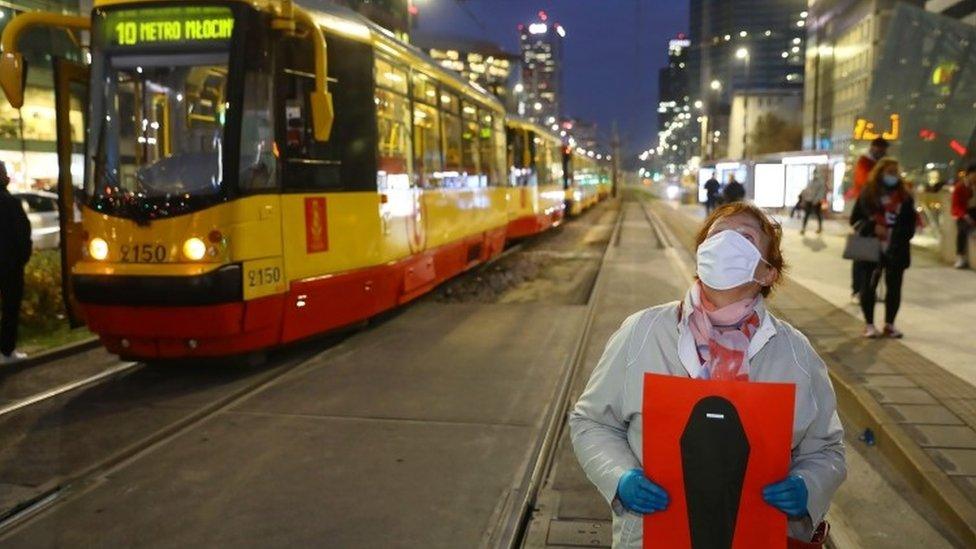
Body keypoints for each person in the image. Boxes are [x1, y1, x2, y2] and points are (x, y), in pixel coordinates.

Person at [570, 202, 845, 548]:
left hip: (757, 536)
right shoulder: (642, 332)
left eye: (744, 236)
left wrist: (808, 485)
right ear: (702, 255)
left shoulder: (795, 353)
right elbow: (591, 422)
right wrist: (619, 476)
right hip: (654, 536)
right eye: (717, 235)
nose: (727, 242)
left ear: (767, 273)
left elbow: (828, 448)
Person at [850, 158, 915, 339]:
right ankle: (869, 325)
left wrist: (899, 235)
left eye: (895, 172)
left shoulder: (905, 196)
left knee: (894, 288)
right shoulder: (868, 193)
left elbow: (911, 224)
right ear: (880, 172)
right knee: (868, 286)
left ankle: (890, 325)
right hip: (871, 245)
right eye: (889, 172)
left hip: (897, 248)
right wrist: (873, 225)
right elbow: (854, 219)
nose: (892, 176)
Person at [0, 161, 32, 363]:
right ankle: (6, 351)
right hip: (9, 265)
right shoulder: (9, 203)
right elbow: (22, 234)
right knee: (10, 307)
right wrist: (21, 259)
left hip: (9, 262)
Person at [849, 137, 889, 301]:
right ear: (874, 147)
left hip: (880, 217)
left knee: (878, 259)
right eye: (880, 148)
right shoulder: (864, 163)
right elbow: (864, 184)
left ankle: (869, 290)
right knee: (862, 256)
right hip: (865, 214)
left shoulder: (883, 164)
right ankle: (858, 290)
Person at [951, 164, 976, 269]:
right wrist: (965, 216)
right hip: (964, 213)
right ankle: (960, 257)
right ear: (969, 174)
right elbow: (956, 205)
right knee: (962, 230)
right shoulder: (960, 187)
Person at [801, 166, 829, 235]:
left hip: (816, 202)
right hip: (809, 200)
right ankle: (803, 228)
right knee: (806, 215)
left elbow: (821, 192)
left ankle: (820, 227)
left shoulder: (821, 182)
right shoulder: (810, 181)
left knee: (818, 214)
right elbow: (807, 190)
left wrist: (816, 200)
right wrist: (804, 198)